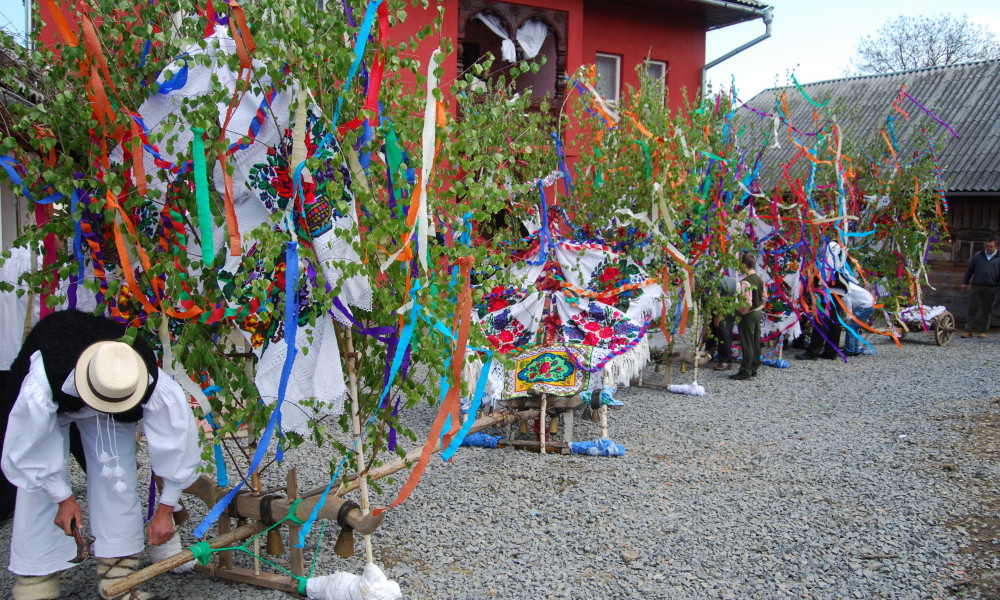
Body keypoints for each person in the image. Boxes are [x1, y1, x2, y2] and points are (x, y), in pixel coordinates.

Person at [1, 310, 201, 600]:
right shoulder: (43, 378)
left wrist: (166, 509)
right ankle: (36, 581)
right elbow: (28, 449)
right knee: (37, 490)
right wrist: (63, 498)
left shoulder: (142, 375)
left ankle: (118, 577)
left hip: (113, 395)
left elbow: (177, 444)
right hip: (60, 391)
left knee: (118, 476)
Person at [731, 253, 764, 381]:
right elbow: (764, 297)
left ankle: (745, 370)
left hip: (749, 314)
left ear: (744, 265)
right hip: (758, 311)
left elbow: (746, 303)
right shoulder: (759, 279)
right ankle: (754, 367)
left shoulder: (746, 281)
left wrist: (738, 313)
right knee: (756, 340)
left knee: (747, 342)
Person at [960, 238, 1000, 338]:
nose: (989, 248)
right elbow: (970, 270)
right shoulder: (978, 256)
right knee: (972, 308)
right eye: (987, 246)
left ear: (996, 246)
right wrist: (965, 282)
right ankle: (968, 330)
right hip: (977, 286)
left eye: (991, 246)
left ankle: (983, 331)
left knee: (987, 310)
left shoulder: (999, 258)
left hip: (991, 287)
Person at [709, 274, 739, 371]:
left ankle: (725, 361)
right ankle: (710, 351)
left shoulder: (710, 282)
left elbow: (718, 300)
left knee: (723, 328)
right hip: (723, 295)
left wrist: (719, 315)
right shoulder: (703, 279)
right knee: (711, 325)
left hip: (730, 296)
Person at [843, 282, 876, 356]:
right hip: (869, 305)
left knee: (851, 326)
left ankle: (850, 350)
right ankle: (855, 349)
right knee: (856, 327)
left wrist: (848, 317)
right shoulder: (852, 285)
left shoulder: (845, 287)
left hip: (864, 306)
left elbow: (848, 302)